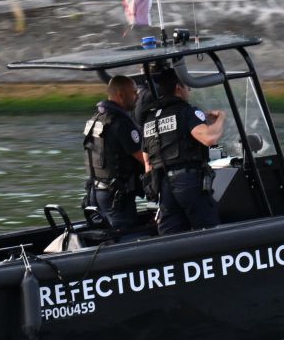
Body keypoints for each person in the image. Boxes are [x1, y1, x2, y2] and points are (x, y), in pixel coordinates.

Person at [141, 69, 225, 235]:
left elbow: (147, 160)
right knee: (208, 229)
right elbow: (210, 138)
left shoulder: (150, 119)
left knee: (170, 233)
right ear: (179, 88)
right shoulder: (187, 111)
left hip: (163, 185)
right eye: (188, 87)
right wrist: (221, 118)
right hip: (188, 181)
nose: (189, 91)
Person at [83, 75, 145, 238]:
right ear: (121, 94)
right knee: (125, 236)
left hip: (96, 192)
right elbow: (143, 158)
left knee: (109, 235)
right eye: (134, 93)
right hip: (116, 195)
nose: (138, 96)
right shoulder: (121, 123)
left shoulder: (96, 118)